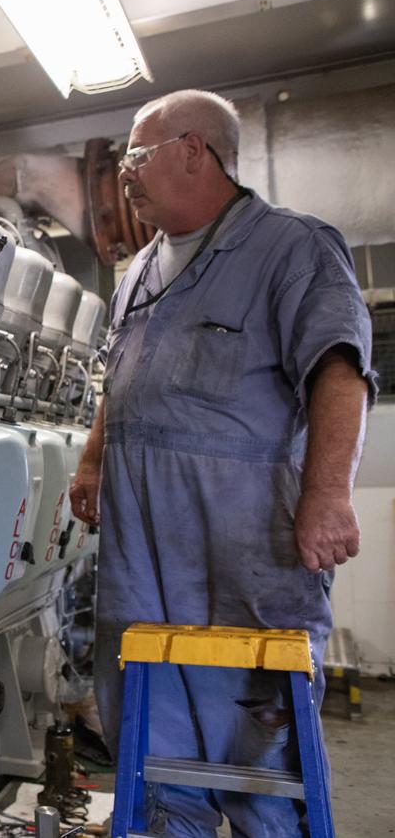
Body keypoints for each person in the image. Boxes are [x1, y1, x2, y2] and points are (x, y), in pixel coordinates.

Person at [68, 89, 376, 837]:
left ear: (193, 151)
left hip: (244, 542)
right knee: (152, 720)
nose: (126, 177)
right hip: (143, 546)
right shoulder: (138, 273)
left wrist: (329, 492)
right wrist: (91, 459)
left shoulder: (292, 247)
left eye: (137, 157)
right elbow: (123, 379)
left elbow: (339, 367)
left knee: (259, 741)